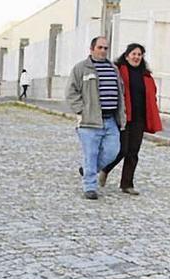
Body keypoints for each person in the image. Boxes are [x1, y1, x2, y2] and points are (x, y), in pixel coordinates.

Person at [66, 36, 125, 200]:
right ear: (92, 49)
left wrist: (121, 114)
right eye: (100, 47)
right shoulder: (81, 68)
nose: (103, 51)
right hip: (89, 121)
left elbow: (120, 92)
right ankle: (90, 187)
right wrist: (81, 111)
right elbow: (71, 93)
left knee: (113, 151)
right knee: (90, 154)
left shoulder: (113, 68)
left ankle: (87, 169)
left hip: (110, 119)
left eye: (106, 48)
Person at [101, 43, 162, 195]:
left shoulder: (146, 76)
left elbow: (152, 95)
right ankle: (104, 169)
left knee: (133, 152)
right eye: (134, 54)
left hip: (139, 118)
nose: (136, 57)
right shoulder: (118, 70)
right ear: (127, 55)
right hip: (123, 116)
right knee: (121, 149)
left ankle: (127, 184)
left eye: (139, 55)